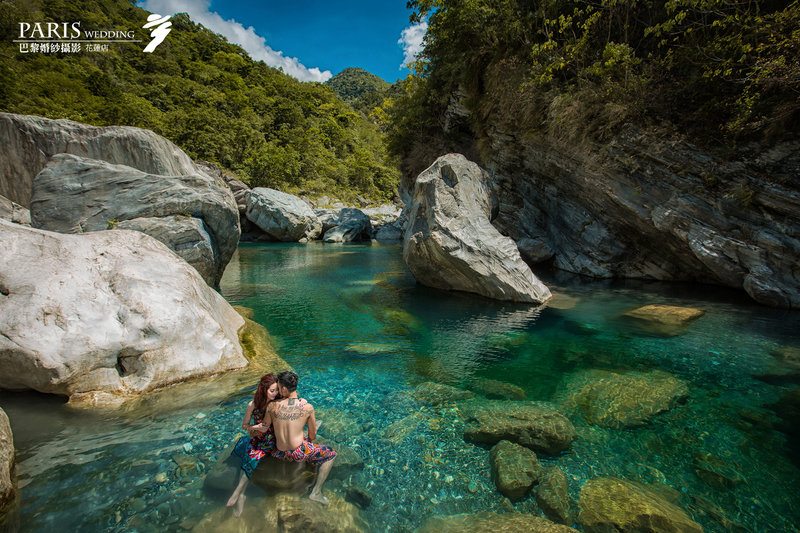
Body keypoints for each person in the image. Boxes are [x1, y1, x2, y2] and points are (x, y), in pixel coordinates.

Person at [253, 371, 337, 505]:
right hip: (298, 452)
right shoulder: (307, 407)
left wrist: (250, 428)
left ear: (284, 389)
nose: (278, 391)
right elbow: (312, 436)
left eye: (279, 387)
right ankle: (316, 492)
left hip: (278, 452)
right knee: (331, 454)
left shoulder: (272, 406)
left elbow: (264, 426)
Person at [226, 373, 280, 517]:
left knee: (251, 457)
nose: (275, 394)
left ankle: (238, 493)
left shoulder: (278, 403)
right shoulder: (252, 405)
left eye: (277, 390)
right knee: (249, 455)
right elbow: (245, 426)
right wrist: (256, 428)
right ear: (263, 390)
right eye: (272, 391)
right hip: (257, 439)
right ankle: (241, 495)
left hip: (272, 441)